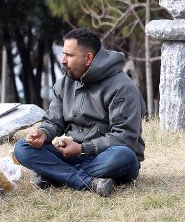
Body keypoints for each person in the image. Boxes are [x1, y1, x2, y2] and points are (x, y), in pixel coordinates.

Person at [13, 28, 144, 197]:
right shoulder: (64, 83)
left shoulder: (122, 88)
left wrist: (83, 148)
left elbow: (125, 138)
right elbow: (54, 122)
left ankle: (56, 175)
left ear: (88, 58)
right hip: (71, 154)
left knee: (123, 156)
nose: (63, 60)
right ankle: (89, 182)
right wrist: (43, 134)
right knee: (22, 148)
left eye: (69, 55)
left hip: (106, 157)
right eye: (63, 54)